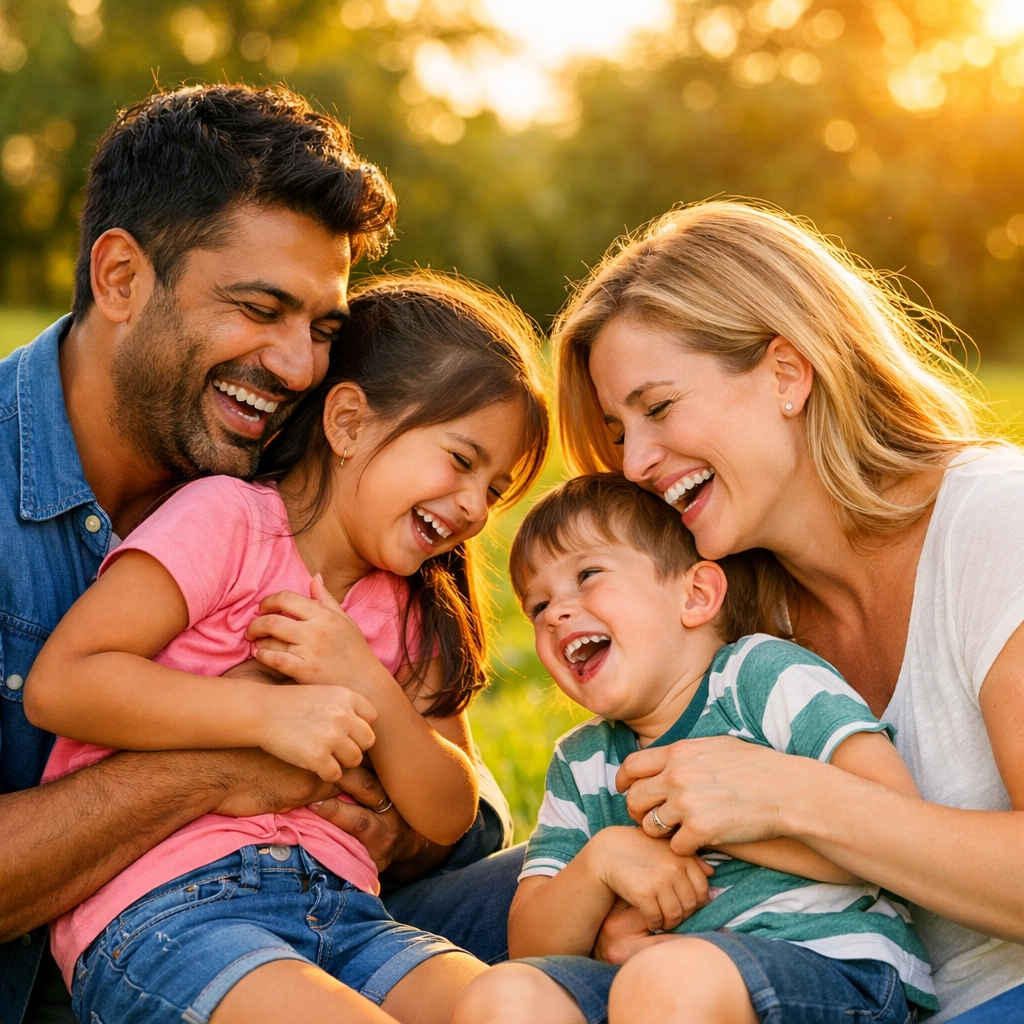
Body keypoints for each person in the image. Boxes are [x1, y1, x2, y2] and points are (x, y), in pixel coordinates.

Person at [0, 83, 516, 1024]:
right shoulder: (213, 516)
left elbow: (465, 807)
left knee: (585, 940)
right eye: (259, 308)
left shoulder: (315, 493)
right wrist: (229, 755)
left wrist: (379, 786)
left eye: (321, 327)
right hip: (150, 945)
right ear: (119, 278)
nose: (300, 367)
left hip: (334, 914)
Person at [550, 200, 1024, 1022]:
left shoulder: (993, 522)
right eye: (617, 431)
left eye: (657, 408)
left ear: (786, 373)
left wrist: (795, 797)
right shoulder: (730, 611)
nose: (634, 462)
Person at [453, 473, 935, 1024]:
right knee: (502, 995)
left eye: (587, 575)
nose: (556, 613)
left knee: (668, 981)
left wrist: (721, 826)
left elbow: (894, 816)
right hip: (659, 980)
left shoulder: (761, 677)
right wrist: (600, 862)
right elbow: (531, 944)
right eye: (537, 607)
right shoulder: (581, 761)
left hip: (832, 965)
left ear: (696, 595)